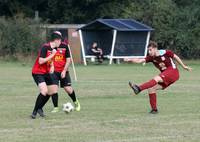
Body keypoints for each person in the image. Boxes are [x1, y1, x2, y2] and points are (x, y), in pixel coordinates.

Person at [124, 41, 192, 114]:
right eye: (148, 50)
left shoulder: (165, 52)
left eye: (150, 50)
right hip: (166, 75)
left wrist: (184, 66)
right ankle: (154, 110)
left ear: (155, 49)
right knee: (151, 88)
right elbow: (140, 60)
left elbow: (176, 57)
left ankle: (139, 88)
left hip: (173, 72)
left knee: (157, 78)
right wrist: (130, 59)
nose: (149, 52)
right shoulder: (151, 57)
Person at [31, 31, 62, 119]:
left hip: (46, 72)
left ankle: (40, 107)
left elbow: (49, 61)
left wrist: (52, 65)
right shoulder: (45, 47)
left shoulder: (53, 50)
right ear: (56, 40)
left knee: (51, 91)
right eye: (60, 41)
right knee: (44, 91)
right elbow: (41, 61)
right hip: (37, 72)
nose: (60, 43)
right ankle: (34, 112)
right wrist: (52, 55)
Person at [50, 38, 81, 113]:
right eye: (56, 39)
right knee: (54, 90)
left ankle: (76, 102)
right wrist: (51, 66)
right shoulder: (50, 46)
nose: (58, 41)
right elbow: (49, 58)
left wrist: (64, 70)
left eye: (59, 39)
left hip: (64, 71)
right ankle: (56, 107)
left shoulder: (65, 46)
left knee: (68, 89)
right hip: (53, 71)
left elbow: (68, 60)